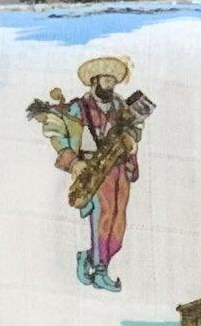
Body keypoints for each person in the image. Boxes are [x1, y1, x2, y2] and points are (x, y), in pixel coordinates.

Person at [27, 56, 147, 292]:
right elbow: (56, 130)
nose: (110, 85)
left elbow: (134, 130)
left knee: (118, 220)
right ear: (94, 81)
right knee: (102, 215)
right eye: (106, 80)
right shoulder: (78, 107)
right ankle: (100, 270)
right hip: (93, 169)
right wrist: (73, 162)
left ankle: (91, 258)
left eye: (113, 80)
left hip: (119, 167)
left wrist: (131, 141)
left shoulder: (121, 107)